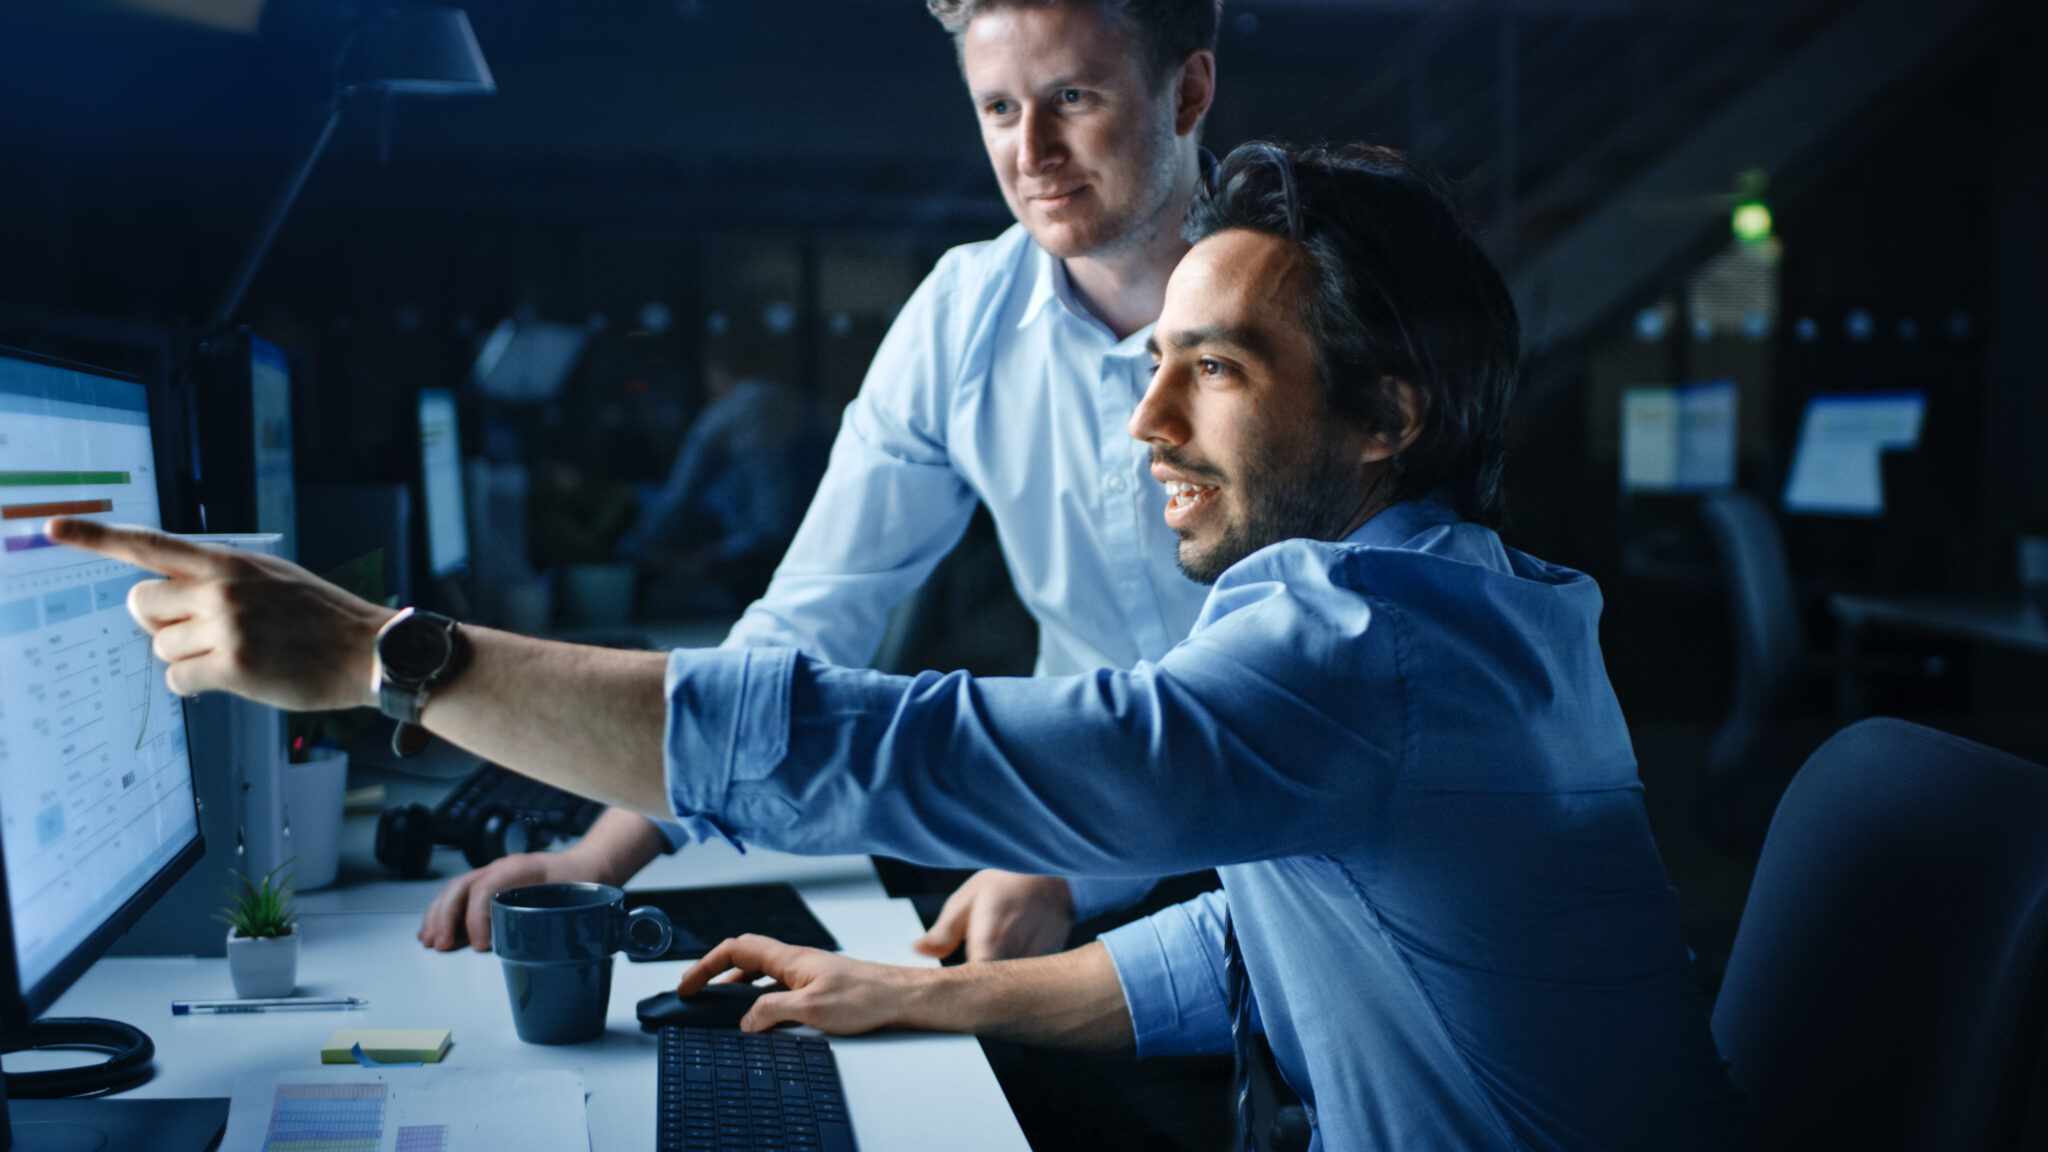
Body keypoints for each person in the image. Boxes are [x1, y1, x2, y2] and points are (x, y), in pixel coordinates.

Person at [54, 141, 1743, 1150]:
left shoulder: (1363, 642)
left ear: (1387, 414)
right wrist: (912, 997)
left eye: (1210, 368)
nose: (1141, 416)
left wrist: (392, 655)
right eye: (1148, 359)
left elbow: (929, 749)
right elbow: (1267, 940)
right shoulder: (1473, 607)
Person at [411, 0, 1226, 965]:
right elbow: (807, 620)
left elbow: (1290, 705)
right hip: (1060, 826)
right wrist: (602, 852)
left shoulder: (1306, 317)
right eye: (999, 109)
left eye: (1072, 98)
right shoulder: (964, 314)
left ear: (1189, 92)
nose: (1032, 152)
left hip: (1278, 863)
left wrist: (1066, 863)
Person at [616, 361, 827, 615]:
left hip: (762, 552)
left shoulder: (734, 412)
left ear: (719, 373)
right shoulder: (809, 409)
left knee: (642, 508)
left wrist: (638, 548)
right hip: (801, 546)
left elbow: (681, 494)